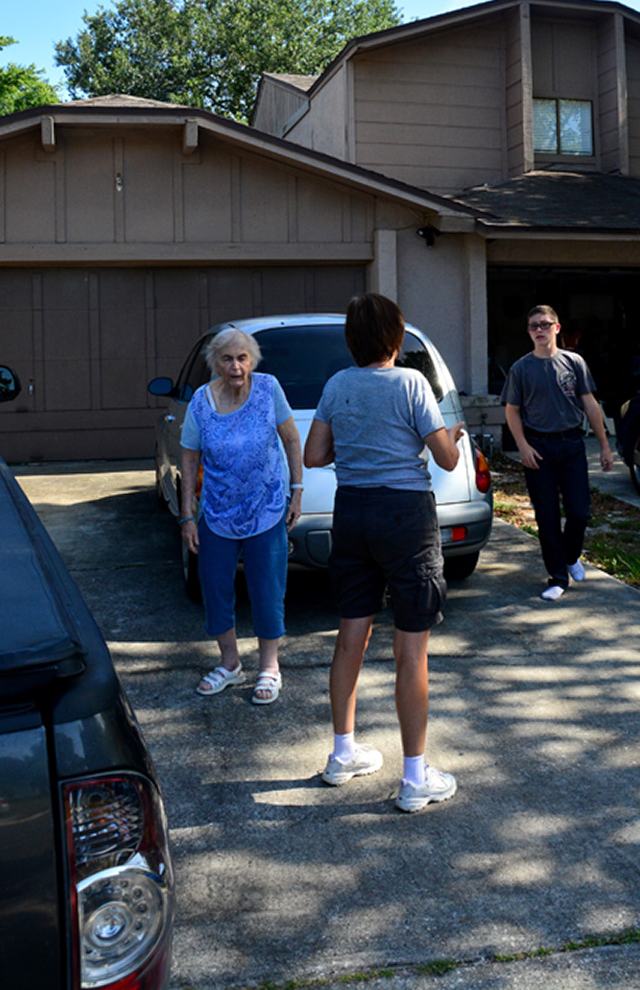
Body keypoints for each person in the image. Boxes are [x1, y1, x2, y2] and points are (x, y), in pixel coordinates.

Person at [304, 294, 464, 813]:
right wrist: (452, 436)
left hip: (352, 514)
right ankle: (414, 778)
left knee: (353, 632)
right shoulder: (413, 383)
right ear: (395, 337)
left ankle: (341, 753)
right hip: (405, 516)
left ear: (353, 339)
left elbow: (315, 455)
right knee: (411, 647)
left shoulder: (336, 385)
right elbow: (444, 457)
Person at [180, 326, 303, 702]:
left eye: (242, 358)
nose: (236, 366)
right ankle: (230, 664)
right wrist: (187, 515)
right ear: (215, 363)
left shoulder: (268, 389)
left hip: (265, 509)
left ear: (253, 360)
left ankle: (270, 668)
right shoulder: (201, 401)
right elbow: (189, 457)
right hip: (217, 512)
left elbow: (291, 439)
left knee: (267, 590)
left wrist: (296, 490)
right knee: (215, 588)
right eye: (228, 359)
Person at [502, 304, 613, 601]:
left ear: (557, 328)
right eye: (534, 326)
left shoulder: (574, 362)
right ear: (528, 332)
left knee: (579, 512)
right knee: (547, 516)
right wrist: (523, 446)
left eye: (545, 324)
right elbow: (511, 411)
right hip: (538, 447)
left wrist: (604, 445)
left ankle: (571, 554)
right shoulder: (520, 369)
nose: (540, 330)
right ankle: (557, 578)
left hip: (571, 444)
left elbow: (590, 404)